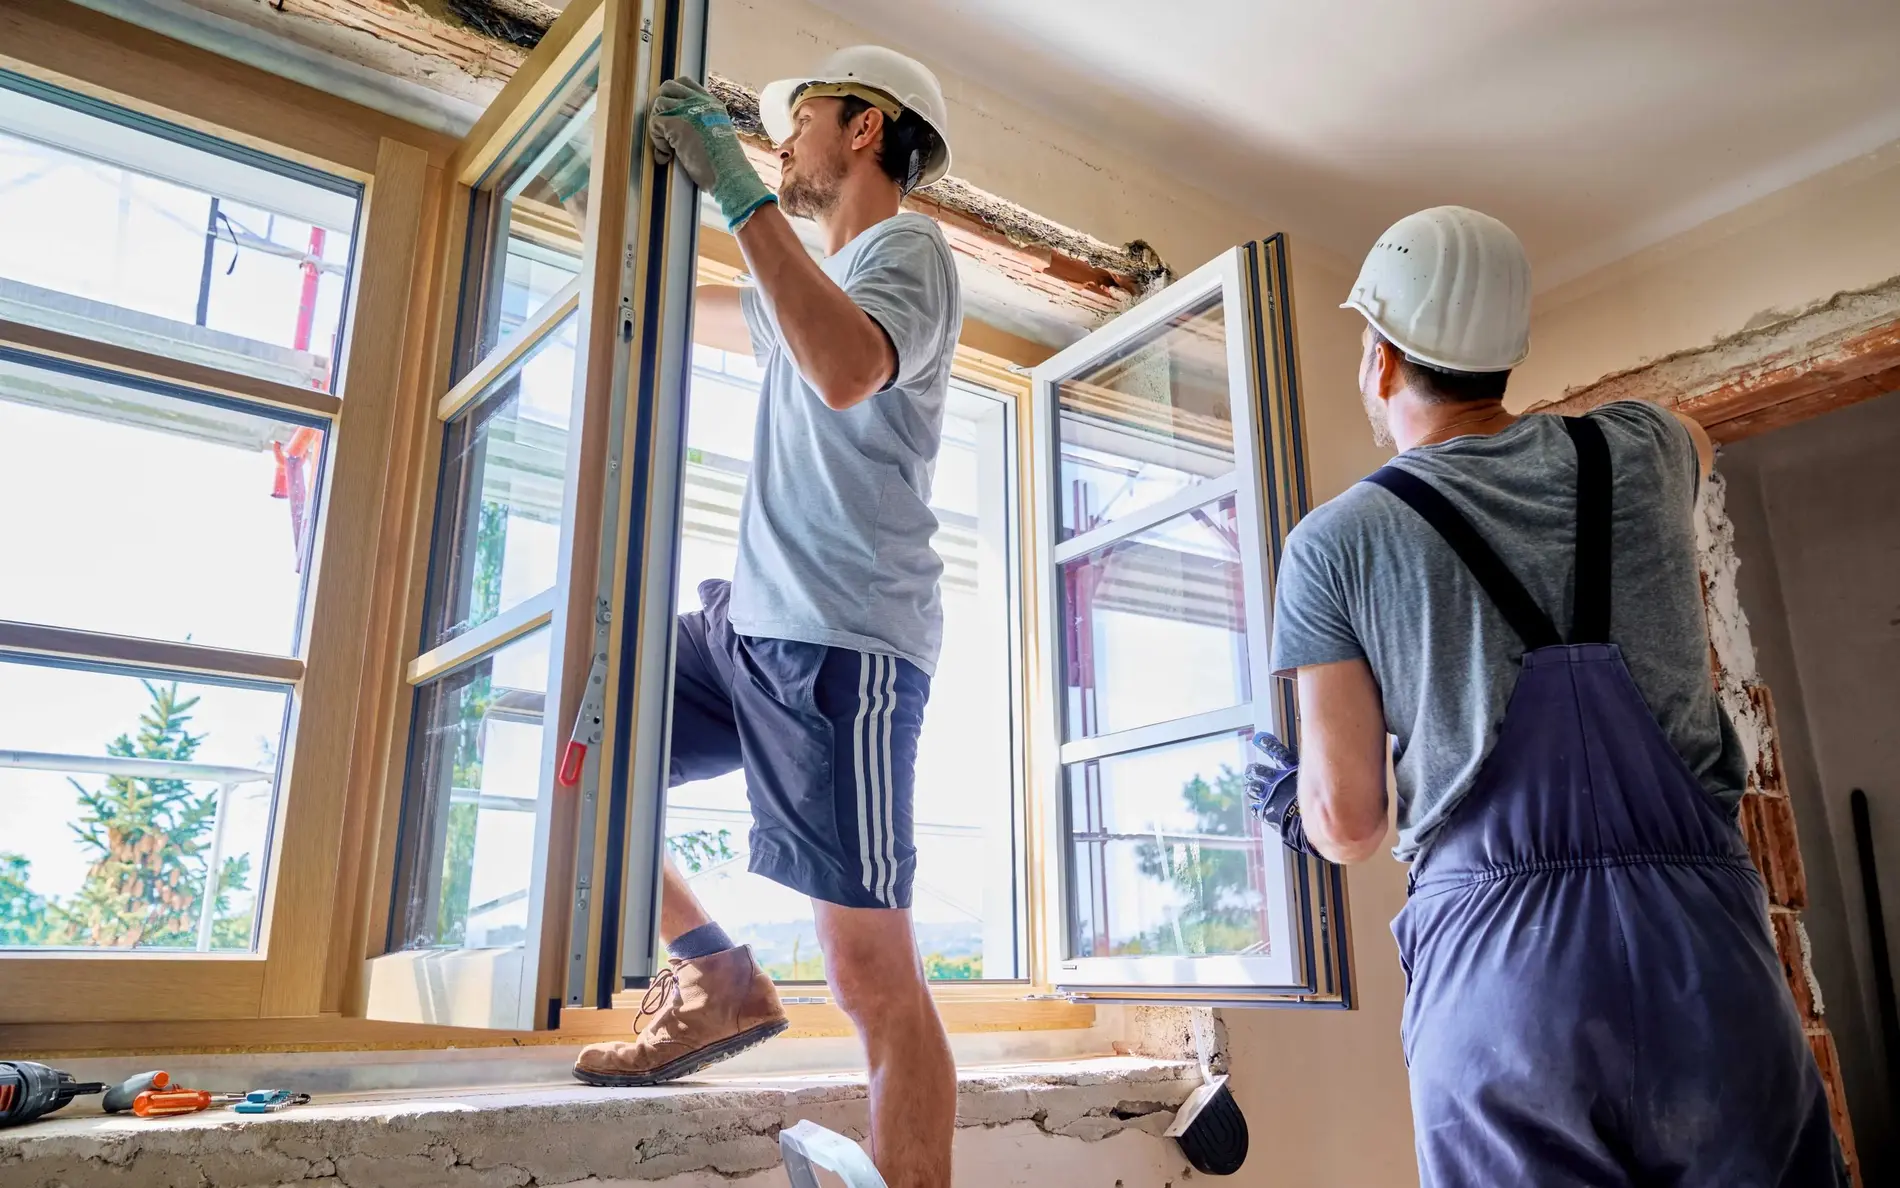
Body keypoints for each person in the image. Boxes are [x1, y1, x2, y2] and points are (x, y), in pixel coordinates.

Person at [1248, 206, 1847, 1186]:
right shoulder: (1643, 450)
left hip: (1503, 986)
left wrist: (1296, 806)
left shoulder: (1335, 541)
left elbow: (1349, 822)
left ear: (1383, 358)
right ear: (1506, 355)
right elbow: (1693, 433)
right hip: (1706, 964)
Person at [571, 45, 961, 1188]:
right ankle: (713, 975)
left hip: (843, 647)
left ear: (867, 129)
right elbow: (695, 313)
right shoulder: (808, 282)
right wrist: (614, 230)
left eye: (804, 118)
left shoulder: (909, 252)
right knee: (584, 755)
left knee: (871, 982)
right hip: (747, 627)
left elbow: (844, 368)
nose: (781, 138)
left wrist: (736, 194)